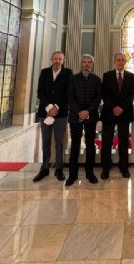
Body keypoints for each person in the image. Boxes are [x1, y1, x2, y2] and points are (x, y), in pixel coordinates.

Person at [33, 51, 72, 182]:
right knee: (46, 141)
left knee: (59, 142)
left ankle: (59, 169)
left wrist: (57, 107)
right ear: (51, 59)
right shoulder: (44, 72)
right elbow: (40, 92)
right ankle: (44, 168)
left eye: (60, 59)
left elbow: (68, 93)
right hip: (45, 113)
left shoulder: (68, 73)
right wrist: (49, 108)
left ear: (63, 60)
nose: (57, 61)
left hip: (61, 114)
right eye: (55, 58)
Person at [100, 53, 134, 179]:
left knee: (124, 141)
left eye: (123, 60)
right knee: (106, 141)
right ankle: (106, 168)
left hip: (124, 113)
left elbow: (132, 94)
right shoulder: (107, 75)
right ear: (114, 61)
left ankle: (124, 167)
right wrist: (113, 107)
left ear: (125, 62)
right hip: (109, 113)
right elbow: (104, 94)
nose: (121, 62)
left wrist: (121, 107)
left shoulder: (131, 76)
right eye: (118, 60)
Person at [66, 54, 101, 186]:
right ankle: (72, 175)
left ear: (92, 64)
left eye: (89, 62)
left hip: (91, 116)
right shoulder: (73, 79)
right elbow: (70, 96)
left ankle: (90, 173)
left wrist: (88, 111)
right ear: (81, 64)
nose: (87, 64)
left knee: (90, 145)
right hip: (76, 116)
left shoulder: (96, 79)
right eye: (84, 62)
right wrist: (79, 112)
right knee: (75, 145)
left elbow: (98, 98)